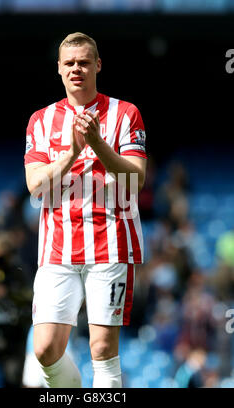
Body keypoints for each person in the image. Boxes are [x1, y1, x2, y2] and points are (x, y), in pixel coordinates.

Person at [24, 32, 147, 388]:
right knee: (45, 349)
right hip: (56, 248)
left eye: (83, 62)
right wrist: (74, 152)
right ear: (59, 70)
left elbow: (135, 179)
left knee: (102, 348)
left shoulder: (126, 114)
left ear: (98, 65)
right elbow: (35, 185)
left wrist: (97, 143)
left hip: (111, 244)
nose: (77, 69)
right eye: (69, 63)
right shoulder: (41, 120)